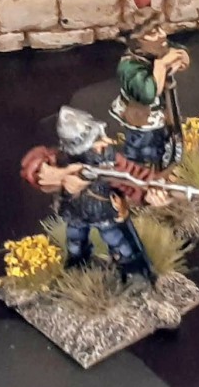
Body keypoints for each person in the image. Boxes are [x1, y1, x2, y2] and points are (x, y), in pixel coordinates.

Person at [21, 106, 171, 291]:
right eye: (92, 142)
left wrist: (150, 194)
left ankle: (136, 276)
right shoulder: (63, 160)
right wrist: (63, 178)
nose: (101, 143)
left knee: (120, 245)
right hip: (75, 213)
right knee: (75, 246)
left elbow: (133, 177)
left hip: (104, 212)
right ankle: (77, 269)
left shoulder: (110, 161)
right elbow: (37, 170)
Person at [111, 0, 190, 168]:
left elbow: (175, 49)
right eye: (153, 33)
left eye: (160, 29)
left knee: (161, 147)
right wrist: (162, 66)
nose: (162, 35)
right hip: (141, 118)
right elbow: (147, 94)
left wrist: (181, 57)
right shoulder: (129, 67)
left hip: (161, 114)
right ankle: (138, 177)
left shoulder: (155, 50)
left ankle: (159, 172)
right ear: (138, 40)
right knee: (141, 152)